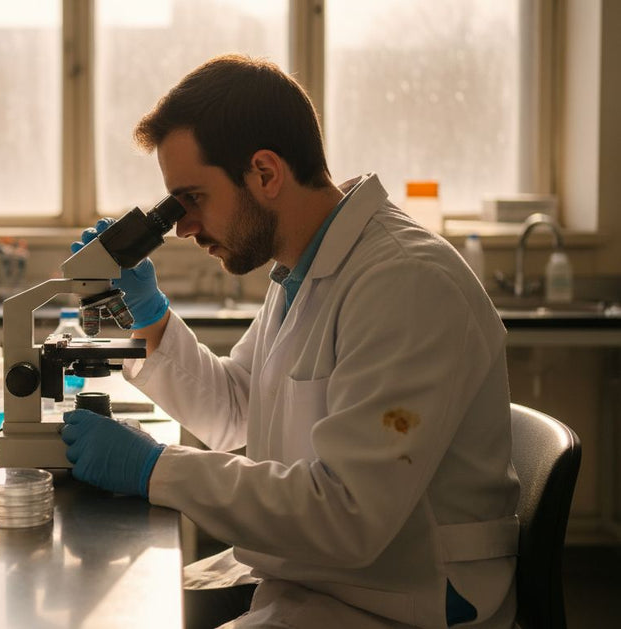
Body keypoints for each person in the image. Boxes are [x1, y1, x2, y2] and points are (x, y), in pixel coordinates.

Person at [61, 55, 520, 628]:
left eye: (193, 199)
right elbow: (236, 410)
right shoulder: (305, 269)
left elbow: (348, 514)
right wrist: (149, 318)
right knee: (122, 603)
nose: (182, 228)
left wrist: (156, 468)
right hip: (327, 572)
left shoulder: (406, 282)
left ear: (265, 172)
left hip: (405, 593)